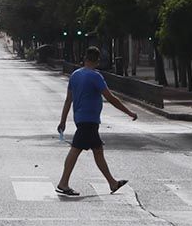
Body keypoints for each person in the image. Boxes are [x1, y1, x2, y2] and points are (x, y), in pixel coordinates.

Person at [56, 46, 137, 196]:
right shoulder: (95, 76)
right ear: (97, 60)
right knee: (75, 150)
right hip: (89, 120)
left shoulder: (75, 75)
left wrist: (63, 121)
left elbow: (68, 100)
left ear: (85, 58)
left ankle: (112, 183)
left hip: (81, 119)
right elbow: (110, 98)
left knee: (98, 151)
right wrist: (129, 112)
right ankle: (63, 183)